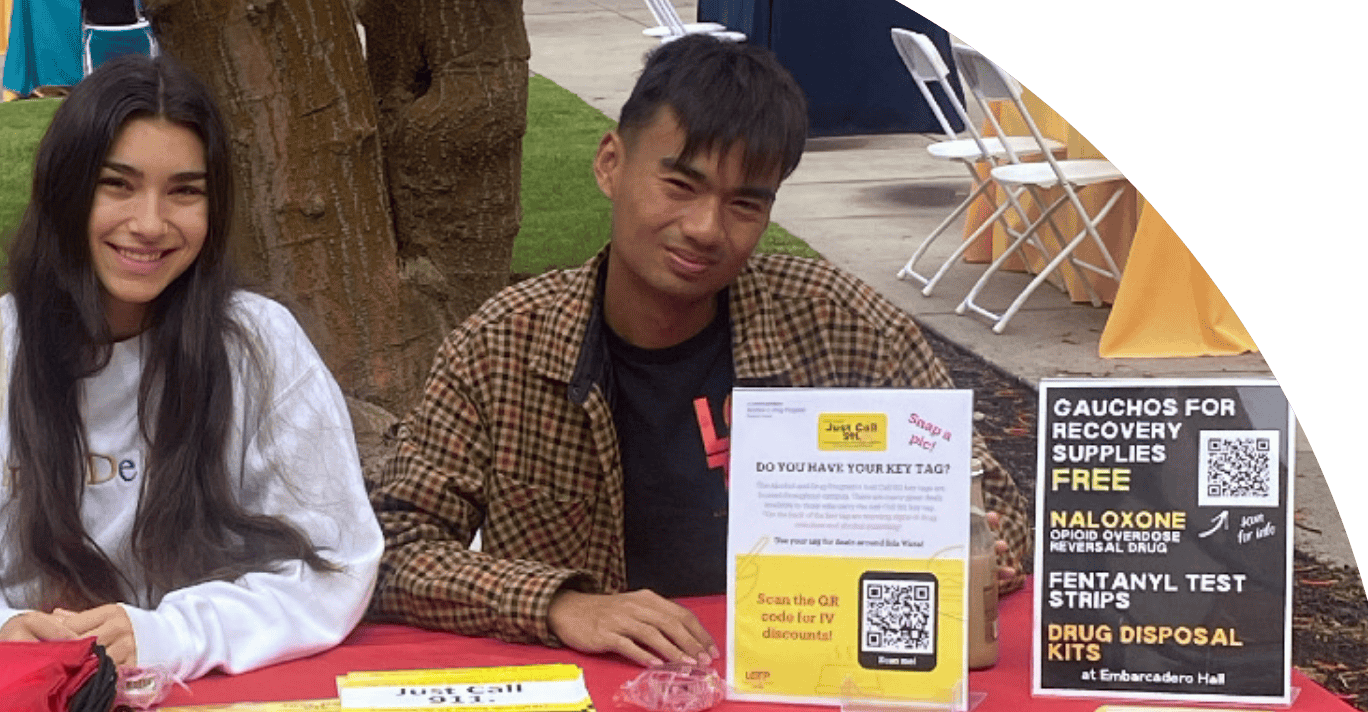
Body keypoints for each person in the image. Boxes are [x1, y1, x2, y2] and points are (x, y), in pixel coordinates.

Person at [368, 35, 1027, 666]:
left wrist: (975, 550)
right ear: (610, 164)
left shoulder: (846, 329)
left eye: (744, 203)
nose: (705, 229)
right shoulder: (502, 348)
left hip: (812, 682)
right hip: (598, 704)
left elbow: (1002, 517)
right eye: (680, 187)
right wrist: (563, 605)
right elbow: (393, 554)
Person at [0, 55, 382, 680]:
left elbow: (333, 564)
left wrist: (169, 633)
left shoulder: (258, 347)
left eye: (184, 191)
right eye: (117, 184)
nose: (149, 224)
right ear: (66, 190)